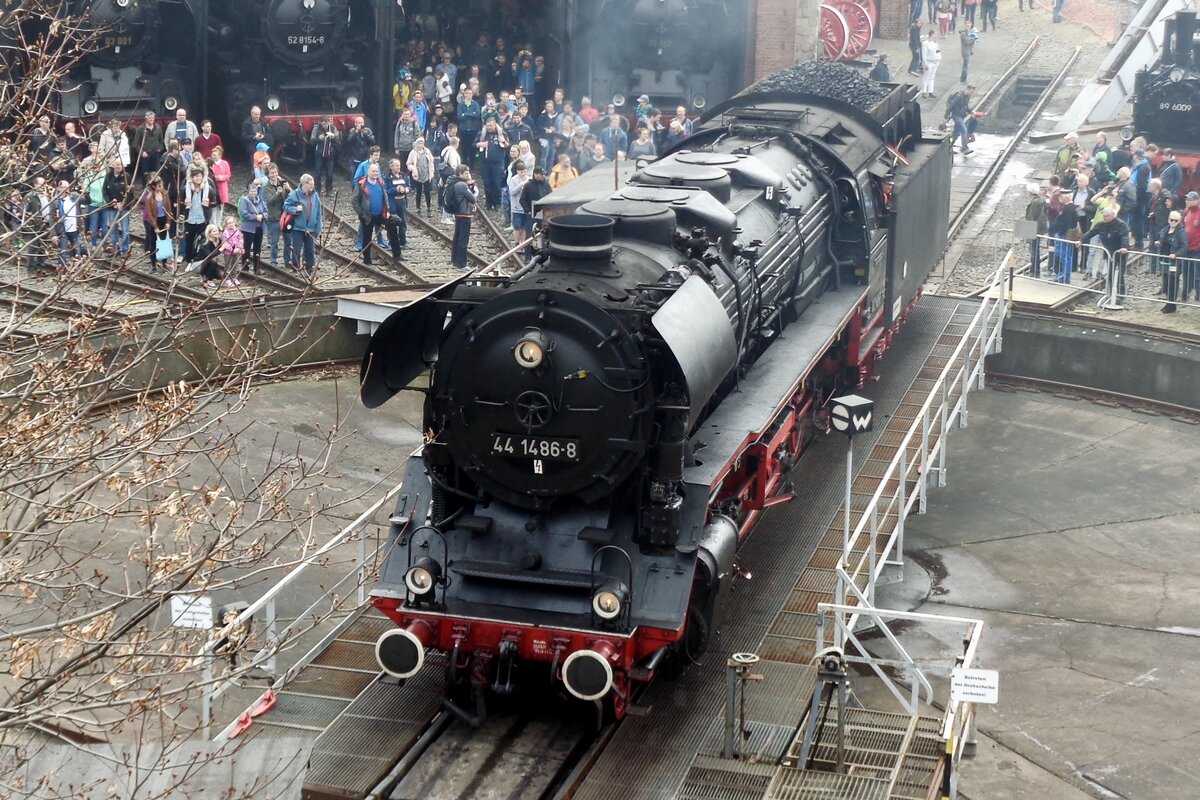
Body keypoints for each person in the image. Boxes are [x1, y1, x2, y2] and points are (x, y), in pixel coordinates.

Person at [1080, 205, 1131, 293]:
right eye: (1103, 216)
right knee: (1111, 272)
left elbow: (1124, 236)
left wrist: (1124, 247)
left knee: (1119, 274)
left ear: (1112, 215)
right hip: (1109, 252)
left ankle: (1120, 294)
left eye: (1106, 216)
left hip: (1119, 252)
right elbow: (1091, 232)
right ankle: (1111, 292)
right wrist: (1081, 240)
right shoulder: (1102, 224)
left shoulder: (1121, 224)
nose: (1104, 218)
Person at [283, 173, 323, 275]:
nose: (312, 186)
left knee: (310, 249)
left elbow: (318, 211)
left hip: (311, 228)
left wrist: (318, 227)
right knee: (296, 249)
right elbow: (286, 206)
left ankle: (310, 269)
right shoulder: (295, 194)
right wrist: (295, 209)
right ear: (304, 184)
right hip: (298, 228)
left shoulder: (315, 195)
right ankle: (295, 268)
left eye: (313, 184)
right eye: (310, 184)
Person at [351, 162, 389, 267]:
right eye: (373, 171)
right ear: (368, 171)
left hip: (380, 214)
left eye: (377, 171)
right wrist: (361, 213)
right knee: (367, 238)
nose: (375, 173)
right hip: (367, 215)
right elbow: (354, 200)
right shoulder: (361, 183)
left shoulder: (380, 182)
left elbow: (385, 196)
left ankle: (396, 252)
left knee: (393, 225)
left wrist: (387, 210)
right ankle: (367, 259)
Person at [444, 164, 477, 269]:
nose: (468, 175)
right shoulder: (462, 185)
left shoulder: (454, 182)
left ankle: (455, 260)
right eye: (466, 173)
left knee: (457, 237)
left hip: (458, 213)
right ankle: (462, 264)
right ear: (460, 174)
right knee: (463, 240)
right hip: (465, 214)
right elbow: (473, 199)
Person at [261, 164, 291, 267]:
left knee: (288, 240)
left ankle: (288, 260)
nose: (274, 174)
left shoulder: (282, 183)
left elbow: (290, 198)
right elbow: (269, 202)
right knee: (274, 241)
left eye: (275, 172)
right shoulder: (266, 187)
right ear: (268, 175)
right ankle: (273, 261)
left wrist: (288, 189)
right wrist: (277, 193)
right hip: (274, 217)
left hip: (285, 216)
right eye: (272, 173)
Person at [141, 176, 174, 272]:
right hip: (155, 220)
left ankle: (164, 262)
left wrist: (168, 222)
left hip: (163, 219)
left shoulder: (165, 194)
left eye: (162, 185)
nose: (161, 187)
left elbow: (169, 209)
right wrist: (155, 226)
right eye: (159, 186)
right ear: (154, 186)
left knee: (164, 241)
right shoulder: (150, 197)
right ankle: (153, 264)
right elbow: (149, 213)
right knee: (153, 243)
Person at [475, 118, 509, 210]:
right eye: (488, 125)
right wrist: (480, 144)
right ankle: (488, 203)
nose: (489, 127)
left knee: (497, 183)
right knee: (487, 183)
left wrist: (503, 141)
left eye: (491, 125)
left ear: (495, 125)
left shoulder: (501, 133)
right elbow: (473, 145)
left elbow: (508, 146)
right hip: (485, 163)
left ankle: (497, 203)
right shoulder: (481, 133)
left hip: (498, 163)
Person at [1157, 210, 1187, 312]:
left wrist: (1176, 254)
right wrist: (1159, 242)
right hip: (1165, 259)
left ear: (1179, 221)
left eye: (1176, 220)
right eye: (1171, 220)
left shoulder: (1181, 232)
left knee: (1173, 283)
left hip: (1175, 261)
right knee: (1166, 281)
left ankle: (1172, 305)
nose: (1173, 222)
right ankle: (1168, 303)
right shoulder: (1165, 229)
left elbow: (1184, 246)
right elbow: (1162, 239)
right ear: (1168, 220)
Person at [101, 159, 132, 255]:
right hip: (112, 207)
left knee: (125, 230)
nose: (119, 166)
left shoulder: (127, 177)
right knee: (113, 230)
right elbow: (104, 191)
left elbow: (131, 193)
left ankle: (125, 250)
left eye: (120, 165)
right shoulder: (108, 177)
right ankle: (115, 249)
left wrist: (123, 203)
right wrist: (111, 202)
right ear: (113, 166)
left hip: (124, 207)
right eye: (117, 164)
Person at [182, 168, 213, 260]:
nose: (198, 178)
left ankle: (200, 257)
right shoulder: (186, 188)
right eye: (196, 176)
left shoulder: (208, 189)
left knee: (203, 240)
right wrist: (184, 202)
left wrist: (209, 203)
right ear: (192, 178)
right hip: (190, 218)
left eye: (200, 176)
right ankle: (188, 258)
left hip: (202, 218)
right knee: (189, 240)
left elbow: (215, 201)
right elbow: (179, 201)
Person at [51, 179, 83, 267]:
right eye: (64, 187)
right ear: (59, 188)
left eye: (67, 187)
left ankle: (78, 269)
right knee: (63, 251)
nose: (66, 189)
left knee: (78, 250)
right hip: (63, 229)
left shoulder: (74, 196)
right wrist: (53, 234)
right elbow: (51, 217)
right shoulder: (56, 201)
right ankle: (62, 269)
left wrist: (86, 193)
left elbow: (87, 201)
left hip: (75, 228)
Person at [383, 158, 410, 259]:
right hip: (393, 202)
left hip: (402, 202)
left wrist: (406, 189)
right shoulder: (387, 177)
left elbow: (409, 185)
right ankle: (391, 242)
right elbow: (386, 190)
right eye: (396, 165)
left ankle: (403, 241)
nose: (398, 167)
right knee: (392, 223)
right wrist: (396, 189)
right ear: (391, 166)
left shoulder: (404, 176)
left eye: (399, 165)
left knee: (403, 222)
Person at [238, 181, 268, 273]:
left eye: (254, 191)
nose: (253, 193)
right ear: (248, 191)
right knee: (246, 248)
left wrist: (262, 216)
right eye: (251, 191)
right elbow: (244, 214)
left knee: (257, 248)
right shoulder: (244, 200)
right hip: (248, 228)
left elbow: (266, 211)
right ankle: (245, 267)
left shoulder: (261, 200)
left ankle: (257, 267)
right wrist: (255, 217)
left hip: (259, 227)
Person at [944, 84, 980, 155]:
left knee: (955, 134)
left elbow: (965, 106)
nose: (971, 94)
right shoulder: (959, 96)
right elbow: (951, 105)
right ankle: (965, 148)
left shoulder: (967, 97)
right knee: (964, 130)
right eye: (971, 92)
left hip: (961, 116)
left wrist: (970, 111)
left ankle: (949, 146)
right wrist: (946, 116)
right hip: (956, 115)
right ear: (967, 89)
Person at [133, 111, 164, 187]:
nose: (151, 120)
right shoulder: (140, 129)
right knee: (145, 173)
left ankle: (155, 187)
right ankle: (145, 189)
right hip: (145, 155)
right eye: (150, 118)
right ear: (146, 118)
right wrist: (141, 152)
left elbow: (161, 140)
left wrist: (160, 148)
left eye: (152, 118)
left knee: (156, 172)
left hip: (155, 154)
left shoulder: (158, 127)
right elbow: (136, 143)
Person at [310, 116, 340, 195]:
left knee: (330, 173)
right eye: (323, 124)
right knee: (318, 172)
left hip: (330, 153)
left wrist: (333, 137)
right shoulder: (316, 129)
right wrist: (319, 138)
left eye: (326, 124)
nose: (325, 126)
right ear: (321, 123)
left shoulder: (333, 128)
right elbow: (312, 141)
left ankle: (329, 190)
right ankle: (317, 189)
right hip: (319, 153)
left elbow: (338, 139)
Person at [407, 137, 436, 216]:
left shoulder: (427, 151)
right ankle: (418, 208)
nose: (420, 145)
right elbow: (409, 163)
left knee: (427, 192)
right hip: (418, 175)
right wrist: (413, 169)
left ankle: (428, 208)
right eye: (419, 143)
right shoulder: (413, 152)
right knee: (418, 192)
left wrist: (432, 171)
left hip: (426, 174)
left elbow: (431, 162)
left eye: (422, 143)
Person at [1024, 183, 1048, 277]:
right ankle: (1034, 269)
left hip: (1034, 228)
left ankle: (1034, 270)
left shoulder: (1034, 202)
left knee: (1034, 250)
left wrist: (1027, 231)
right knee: (1035, 249)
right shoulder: (1042, 200)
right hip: (1039, 228)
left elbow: (1031, 217)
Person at [439, 135, 462, 224]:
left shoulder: (445, 151)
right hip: (451, 176)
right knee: (449, 196)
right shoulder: (452, 152)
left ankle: (450, 215)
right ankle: (445, 217)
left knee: (448, 195)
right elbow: (453, 166)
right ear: (457, 144)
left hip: (445, 175)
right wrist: (458, 175)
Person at [1182, 191, 1200, 303]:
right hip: (1187, 248)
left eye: (1189, 199)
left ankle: (1198, 296)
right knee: (1186, 273)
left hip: (1197, 249)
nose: (1187, 201)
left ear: (1196, 200)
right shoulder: (1186, 211)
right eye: (1187, 199)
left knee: (1197, 274)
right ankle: (1185, 295)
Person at [507, 160, 530, 244]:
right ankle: (517, 242)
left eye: (524, 171)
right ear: (517, 171)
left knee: (524, 227)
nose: (523, 174)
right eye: (521, 172)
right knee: (517, 226)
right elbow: (512, 192)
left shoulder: (529, 179)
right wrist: (520, 185)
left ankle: (523, 243)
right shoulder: (513, 180)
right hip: (516, 207)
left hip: (525, 208)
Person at [210, 145, 232, 218]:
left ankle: (219, 223)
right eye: (212, 155)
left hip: (222, 187)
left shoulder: (225, 163)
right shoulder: (210, 163)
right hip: (213, 187)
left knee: (221, 206)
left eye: (215, 155)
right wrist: (216, 178)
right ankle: (214, 223)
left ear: (220, 155)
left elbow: (228, 175)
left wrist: (222, 177)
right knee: (213, 206)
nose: (213, 156)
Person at [921, 31, 941, 98]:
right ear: (932, 34)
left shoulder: (935, 43)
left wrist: (939, 58)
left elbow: (937, 51)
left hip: (935, 62)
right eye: (935, 34)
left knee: (932, 77)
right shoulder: (925, 43)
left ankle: (930, 92)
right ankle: (923, 92)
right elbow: (924, 54)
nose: (937, 35)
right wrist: (925, 63)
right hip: (929, 62)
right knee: (926, 77)